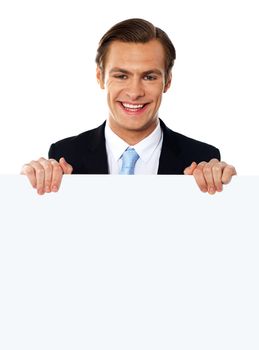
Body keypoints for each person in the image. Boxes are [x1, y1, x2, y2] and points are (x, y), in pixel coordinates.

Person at [21, 18, 236, 195]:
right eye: (122, 76)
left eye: (149, 77)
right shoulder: (65, 156)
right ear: (100, 77)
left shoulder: (201, 158)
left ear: (167, 82)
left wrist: (232, 194)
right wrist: (25, 190)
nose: (134, 92)